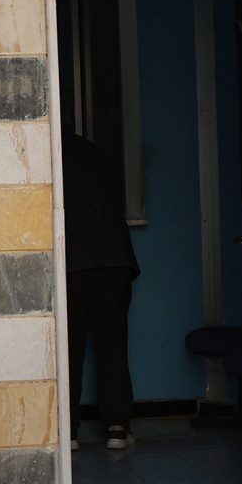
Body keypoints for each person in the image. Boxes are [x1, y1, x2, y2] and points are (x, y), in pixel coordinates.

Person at [62, 129, 139, 449]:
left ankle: (68, 430)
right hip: (115, 258)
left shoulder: (47, 154)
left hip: (74, 262)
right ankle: (117, 427)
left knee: (70, 346)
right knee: (112, 344)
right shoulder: (97, 152)